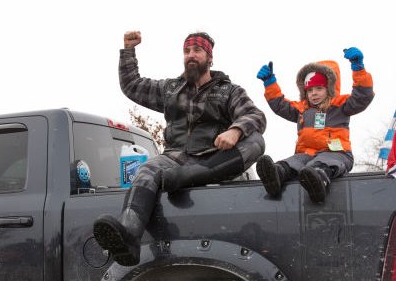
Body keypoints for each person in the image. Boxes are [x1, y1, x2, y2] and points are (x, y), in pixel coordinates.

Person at [92, 30, 267, 266]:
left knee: (256, 141)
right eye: (186, 51)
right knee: (147, 171)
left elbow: (255, 115)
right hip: (174, 159)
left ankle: (188, 177)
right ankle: (129, 235)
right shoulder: (171, 89)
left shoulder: (228, 91)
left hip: (213, 160)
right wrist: (128, 51)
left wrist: (235, 131)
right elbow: (132, 85)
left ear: (210, 57)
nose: (191, 55)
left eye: (197, 50)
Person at [254, 47, 374, 203]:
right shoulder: (302, 108)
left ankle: (318, 180)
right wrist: (270, 84)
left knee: (322, 164)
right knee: (293, 162)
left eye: (319, 88)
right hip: (306, 154)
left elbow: (362, 97)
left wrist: (358, 69)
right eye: (309, 90)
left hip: (335, 152)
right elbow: (281, 105)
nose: (314, 93)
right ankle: (276, 175)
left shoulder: (340, 105)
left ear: (330, 88)